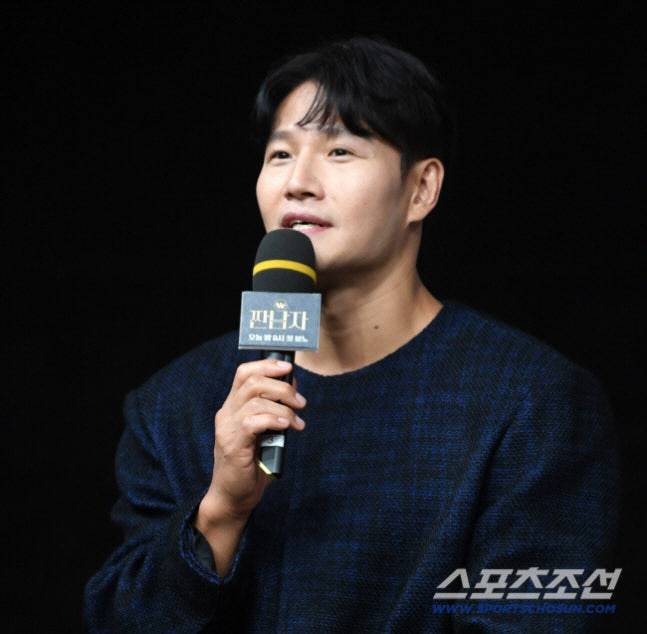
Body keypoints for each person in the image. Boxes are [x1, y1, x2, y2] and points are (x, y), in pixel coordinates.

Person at [83, 36, 620, 632]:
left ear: (421, 189)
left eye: (339, 150)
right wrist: (220, 513)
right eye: (280, 154)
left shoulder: (531, 403)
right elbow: (119, 619)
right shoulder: (175, 403)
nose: (298, 182)